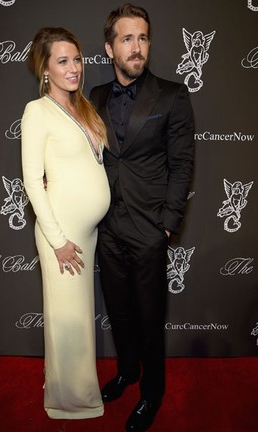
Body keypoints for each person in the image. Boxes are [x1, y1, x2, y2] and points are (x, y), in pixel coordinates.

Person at [90, 4, 194, 432]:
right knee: (119, 311)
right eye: (127, 39)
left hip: (150, 228)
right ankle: (127, 372)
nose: (137, 47)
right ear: (110, 48)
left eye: (143, 38)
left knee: (150, 317)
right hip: (106, 226)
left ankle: (152, 392)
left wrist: (167, 224)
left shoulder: (171, 94)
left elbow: (182, 163)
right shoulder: (93, 97)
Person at [21, 27, 110, 419]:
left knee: (75, 314)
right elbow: (31, 181)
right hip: (62, 234)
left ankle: (68, 383)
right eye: (62, 61)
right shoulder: (36, 111)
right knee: (68, 318)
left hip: (86, 232)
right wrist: (57, 239)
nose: (74, 68)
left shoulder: (83, 107)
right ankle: (70, 401)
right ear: (45, 69)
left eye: (77, 59)